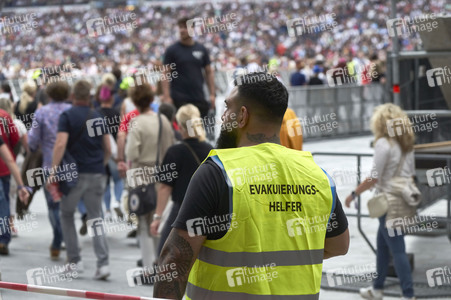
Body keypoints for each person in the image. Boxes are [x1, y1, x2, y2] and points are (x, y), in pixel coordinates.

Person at [154, 72, 349, 299]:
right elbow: (339, 246)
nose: (223, 117)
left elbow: (175, 260)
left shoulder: (218, 172)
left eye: (228, 108)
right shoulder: (318, 175)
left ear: (242, 116)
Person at [345, 104, 416, 300]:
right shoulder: (406, 145)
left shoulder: (384, 144)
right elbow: (410, 174)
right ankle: (377, 289)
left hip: (388, 203)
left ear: (381, 123)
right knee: (383, 246)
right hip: (402, 200)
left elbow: (373, 178)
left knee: (397, 249)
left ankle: (408, 295)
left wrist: (354, 193)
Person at [48, 80, 111, 279]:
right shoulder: (98, 116)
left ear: (73, 96)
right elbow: (108, 148)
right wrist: (101, 164)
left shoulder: (67, 116)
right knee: (96, 217)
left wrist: (53, 171)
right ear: (90, 97)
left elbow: (60, 144)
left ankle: (75, 261)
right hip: (96, 172)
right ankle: (103, 264)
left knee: (66, 214)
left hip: (73, 176)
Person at [125, 81, 175, 282]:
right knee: (159, 222)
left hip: (141, 176)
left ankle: (148, 269)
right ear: (152, 99)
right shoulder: (163, 120)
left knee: (144, 225)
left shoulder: (136, 123)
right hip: (162, 175)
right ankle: (160, 264)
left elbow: (131, 152)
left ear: (135, 101)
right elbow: (171, 148)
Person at [150, 104, 213, 254]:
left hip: (181, 211)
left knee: (166, 256)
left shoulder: (175, 152)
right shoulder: (211, 150)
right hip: (207, 213)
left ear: (178, 126)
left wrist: (157, 217)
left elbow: (165, 187)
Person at [28, 81, 71, 260]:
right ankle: (67, 240)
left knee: (53, 206)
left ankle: (57, 240)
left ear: (49, 94)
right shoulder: (71, 110)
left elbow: (32, 140)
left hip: (49, 165)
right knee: (68, 207)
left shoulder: (42, 112)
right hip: (70, 165)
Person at [161, 17, 216, 118]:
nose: (182, 30)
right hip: (179, 99)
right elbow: (165, 73)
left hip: (199, 98)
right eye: (180, 27)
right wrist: (167, 96)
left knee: (199, 131)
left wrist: (212, 94)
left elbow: (209, 72)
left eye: (185, 27)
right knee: (184, 131)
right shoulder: (172, 50)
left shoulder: (201, 49)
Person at [95, 82, 124, 219]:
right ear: (112, 98)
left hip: (100, 154)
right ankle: (117, 201)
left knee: (105, 182)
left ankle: (107, 211)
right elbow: (121, 135)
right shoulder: (117, 114)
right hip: (115, 152)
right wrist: (120, 155)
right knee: (118, 179)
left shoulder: (95, 114)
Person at [0, 96, 27, 237]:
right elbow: (17, 141)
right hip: (6, 165)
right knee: (6, 198)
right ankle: (6, 232)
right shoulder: (8, 119)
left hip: (6, 164)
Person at [0, 135, 30, 255]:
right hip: (3, 171)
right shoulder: (7, 118)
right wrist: (21, 186)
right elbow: (10, 159)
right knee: (4, 204)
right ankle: (3, 239)